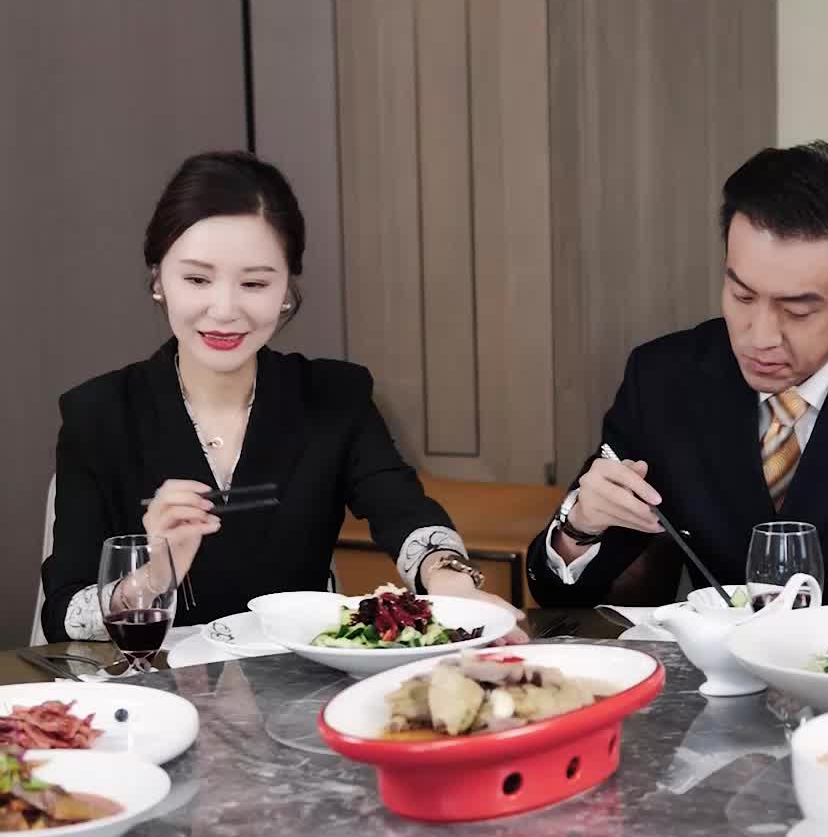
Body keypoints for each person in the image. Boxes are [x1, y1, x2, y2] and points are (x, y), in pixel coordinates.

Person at [526, 141, 828, 610]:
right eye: (742, 296)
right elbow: (560, 598)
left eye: (797, 311)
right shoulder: (666, 378)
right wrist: (580, 526)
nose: (760, 338)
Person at [41, 151, 493, 640]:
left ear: (285, 291)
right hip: (156, 677)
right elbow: (63, 612)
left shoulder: (334, 395)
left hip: (301, 671)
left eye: (254, 283)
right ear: (158, 280)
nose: (224, 310)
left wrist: (449, 578)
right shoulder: (99, 414)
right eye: (197, 279)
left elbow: (404, 512)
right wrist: (153, 577)